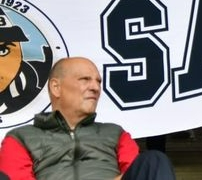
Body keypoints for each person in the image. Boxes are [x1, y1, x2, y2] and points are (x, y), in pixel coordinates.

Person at [0, 57, 175, 179]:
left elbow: (136, 174)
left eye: (98, 81)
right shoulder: (21, 137)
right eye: (85, 79)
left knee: (155, 160)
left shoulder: (115, 133)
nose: (95, 88)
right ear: (56, 87)